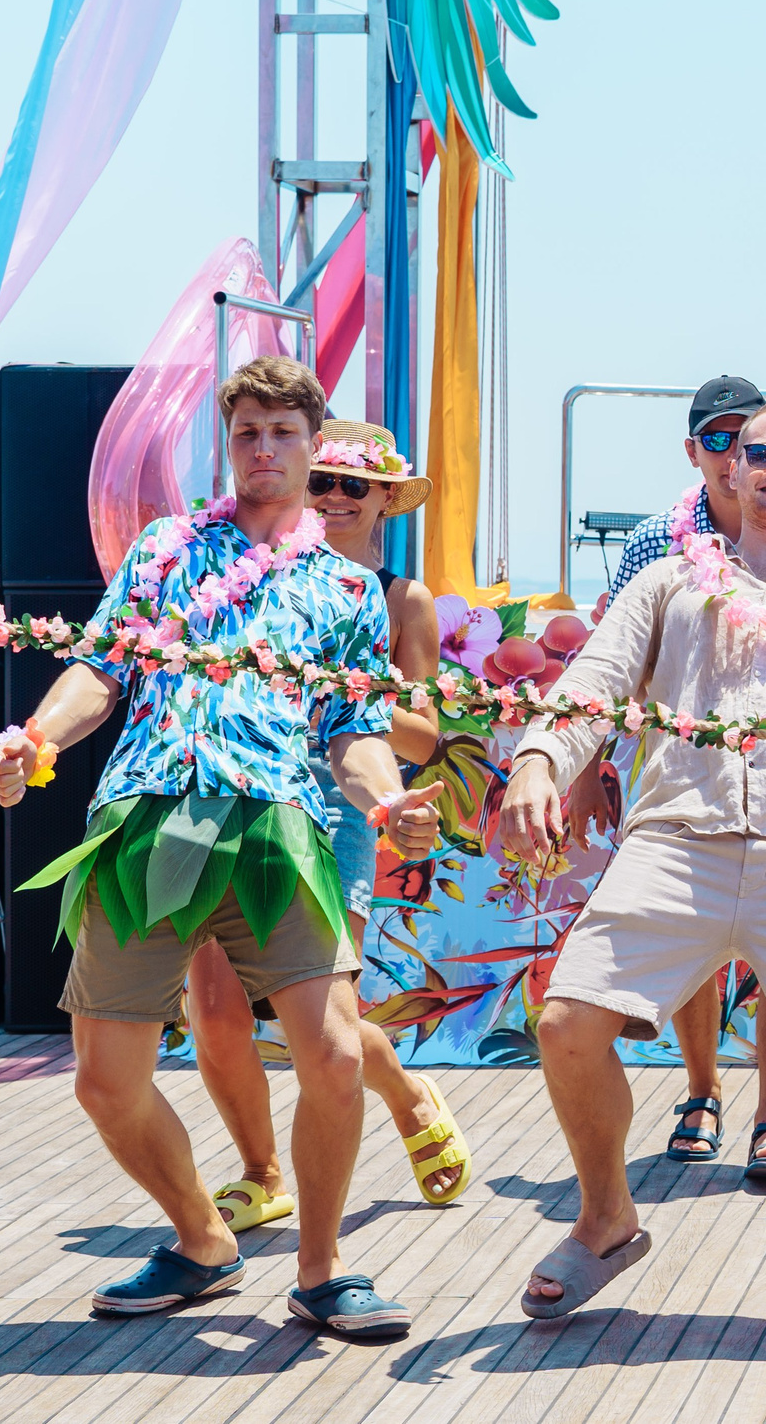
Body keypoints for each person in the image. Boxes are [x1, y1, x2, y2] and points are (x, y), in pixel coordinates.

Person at [0, 356, 443, 1337]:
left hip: (279, 823)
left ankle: (321, 1270)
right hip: (150, 814)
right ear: (228, 443)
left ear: (312, 446)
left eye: (284, 432)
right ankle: (201, 1239)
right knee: (106, 1081)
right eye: (247, 432)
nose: (264, 449)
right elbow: (98, 671)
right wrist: (34, 739)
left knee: (333, 1056)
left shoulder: (347, 589)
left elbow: (355, 731)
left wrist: (387, 803)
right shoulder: (164, 549)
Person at [499, 396, 766, 1330]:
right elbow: (593, 685)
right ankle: (605, 1217)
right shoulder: (667, 582)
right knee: (568, 1024)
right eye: (760, 452)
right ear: (729, 470)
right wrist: (539, 760)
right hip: (677, 837)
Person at [184, 423, 475, 1236]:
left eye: (356, 485)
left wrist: (339, 690)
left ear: (385, 498)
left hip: (341, 802)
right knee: (215, 1010)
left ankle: (407, 1095)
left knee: (318, 1017)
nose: (337, 497)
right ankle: (261, 1173)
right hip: (234, 796)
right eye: (324, 481)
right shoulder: (248, 573)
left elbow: (424, 736)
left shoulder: (401, 599)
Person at [600, 374, 766, 1182]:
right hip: (682, 763)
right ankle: (702, 1089)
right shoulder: (654, 541)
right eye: (725, 439)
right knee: (694, 942)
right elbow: (616, 659)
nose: (749, 457)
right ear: (703, 452)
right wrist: (587, 766)